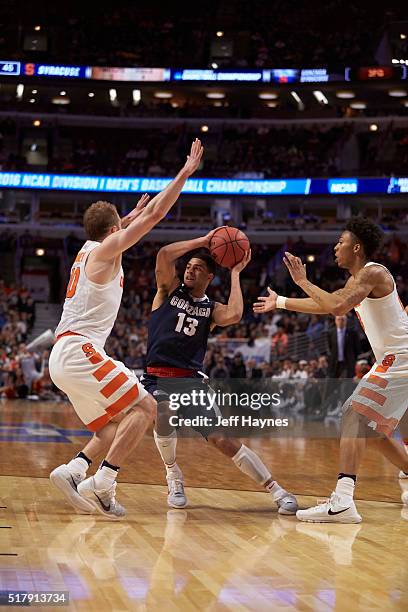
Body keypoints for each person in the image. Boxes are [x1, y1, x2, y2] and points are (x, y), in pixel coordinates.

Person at [49, 139, 204, 519]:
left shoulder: (88, 249)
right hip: (80, 350)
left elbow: (130, 223)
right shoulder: (104, 251)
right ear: (115, 230)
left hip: (63, 356)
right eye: (122, 228)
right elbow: (154, 216)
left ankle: (73, 470)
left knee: (112, 426)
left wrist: (128, 216)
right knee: (148, 408)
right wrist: (183, 173)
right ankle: (104, 483)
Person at [254, 216, 408, 523]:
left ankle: (343, 500)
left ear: (357, 247)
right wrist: (282, 301)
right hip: (394, 358)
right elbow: (329, 304)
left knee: (353, 414)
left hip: (400, 356)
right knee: (368, 427)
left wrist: (302, 281)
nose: (335, 247)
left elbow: (336, 307)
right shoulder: (357, 281)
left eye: (340, 242)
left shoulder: (374, 271)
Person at [141, 234, 298, 515]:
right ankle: (173, 475)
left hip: (190, 380)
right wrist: (202, 240)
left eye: (198, 268)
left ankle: (277, 490)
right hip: (157, 377)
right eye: (188, 266)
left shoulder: (210, 309)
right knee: (162, 410)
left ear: (210, 277)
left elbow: (236, 314)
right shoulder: (167, 291)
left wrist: (235, 273)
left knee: (223, 439)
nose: (190, 269)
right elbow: (164, 254)